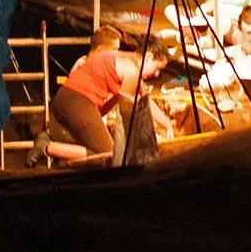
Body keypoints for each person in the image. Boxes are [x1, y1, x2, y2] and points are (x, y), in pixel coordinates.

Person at [30, 37, 172, 166]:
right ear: (148, 57)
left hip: (67, 99)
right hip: (76, 101)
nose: (157, 74)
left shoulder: (127, 59)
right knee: (110, 155)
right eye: (158, 68)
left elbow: (143, 101)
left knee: (98, 153)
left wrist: (166, 125)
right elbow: (128, 114)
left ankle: (52, 146)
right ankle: (46, 147)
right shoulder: (131, 71)